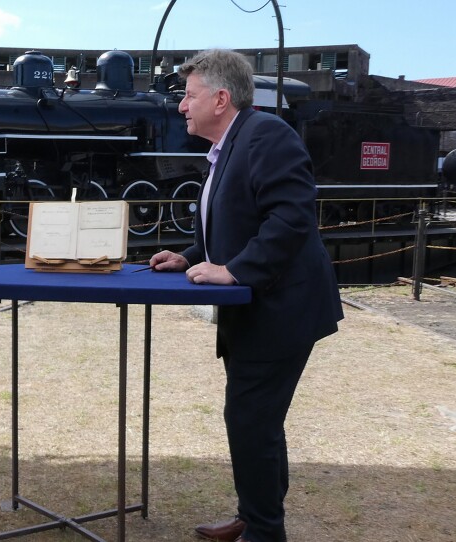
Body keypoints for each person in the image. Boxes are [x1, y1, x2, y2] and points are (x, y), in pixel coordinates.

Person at [146, 49, 343, 542]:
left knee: (251, 420)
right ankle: (254, 518)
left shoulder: (267, 135)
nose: (181, 106)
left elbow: (291, 219)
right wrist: (192, 256)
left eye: (189, 96)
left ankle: (263, 531)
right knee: (257, 421)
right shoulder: (235, 143)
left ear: (220, 97)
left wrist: (234, 270)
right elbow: (238, 219)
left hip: (281, 309)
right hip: (262, 308)